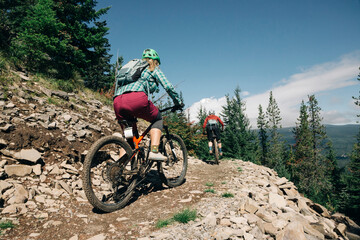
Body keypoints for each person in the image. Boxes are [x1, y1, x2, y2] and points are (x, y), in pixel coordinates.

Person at [113, 48, 183, 161]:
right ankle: (154, 151)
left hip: (117, 101)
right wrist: (178, 102)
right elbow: (168, 87)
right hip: (136, 99)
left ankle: (120, 170)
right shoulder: (152, 68)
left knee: (129, 138)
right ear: (155, 61)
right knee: (157, 119)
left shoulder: (134, 70)